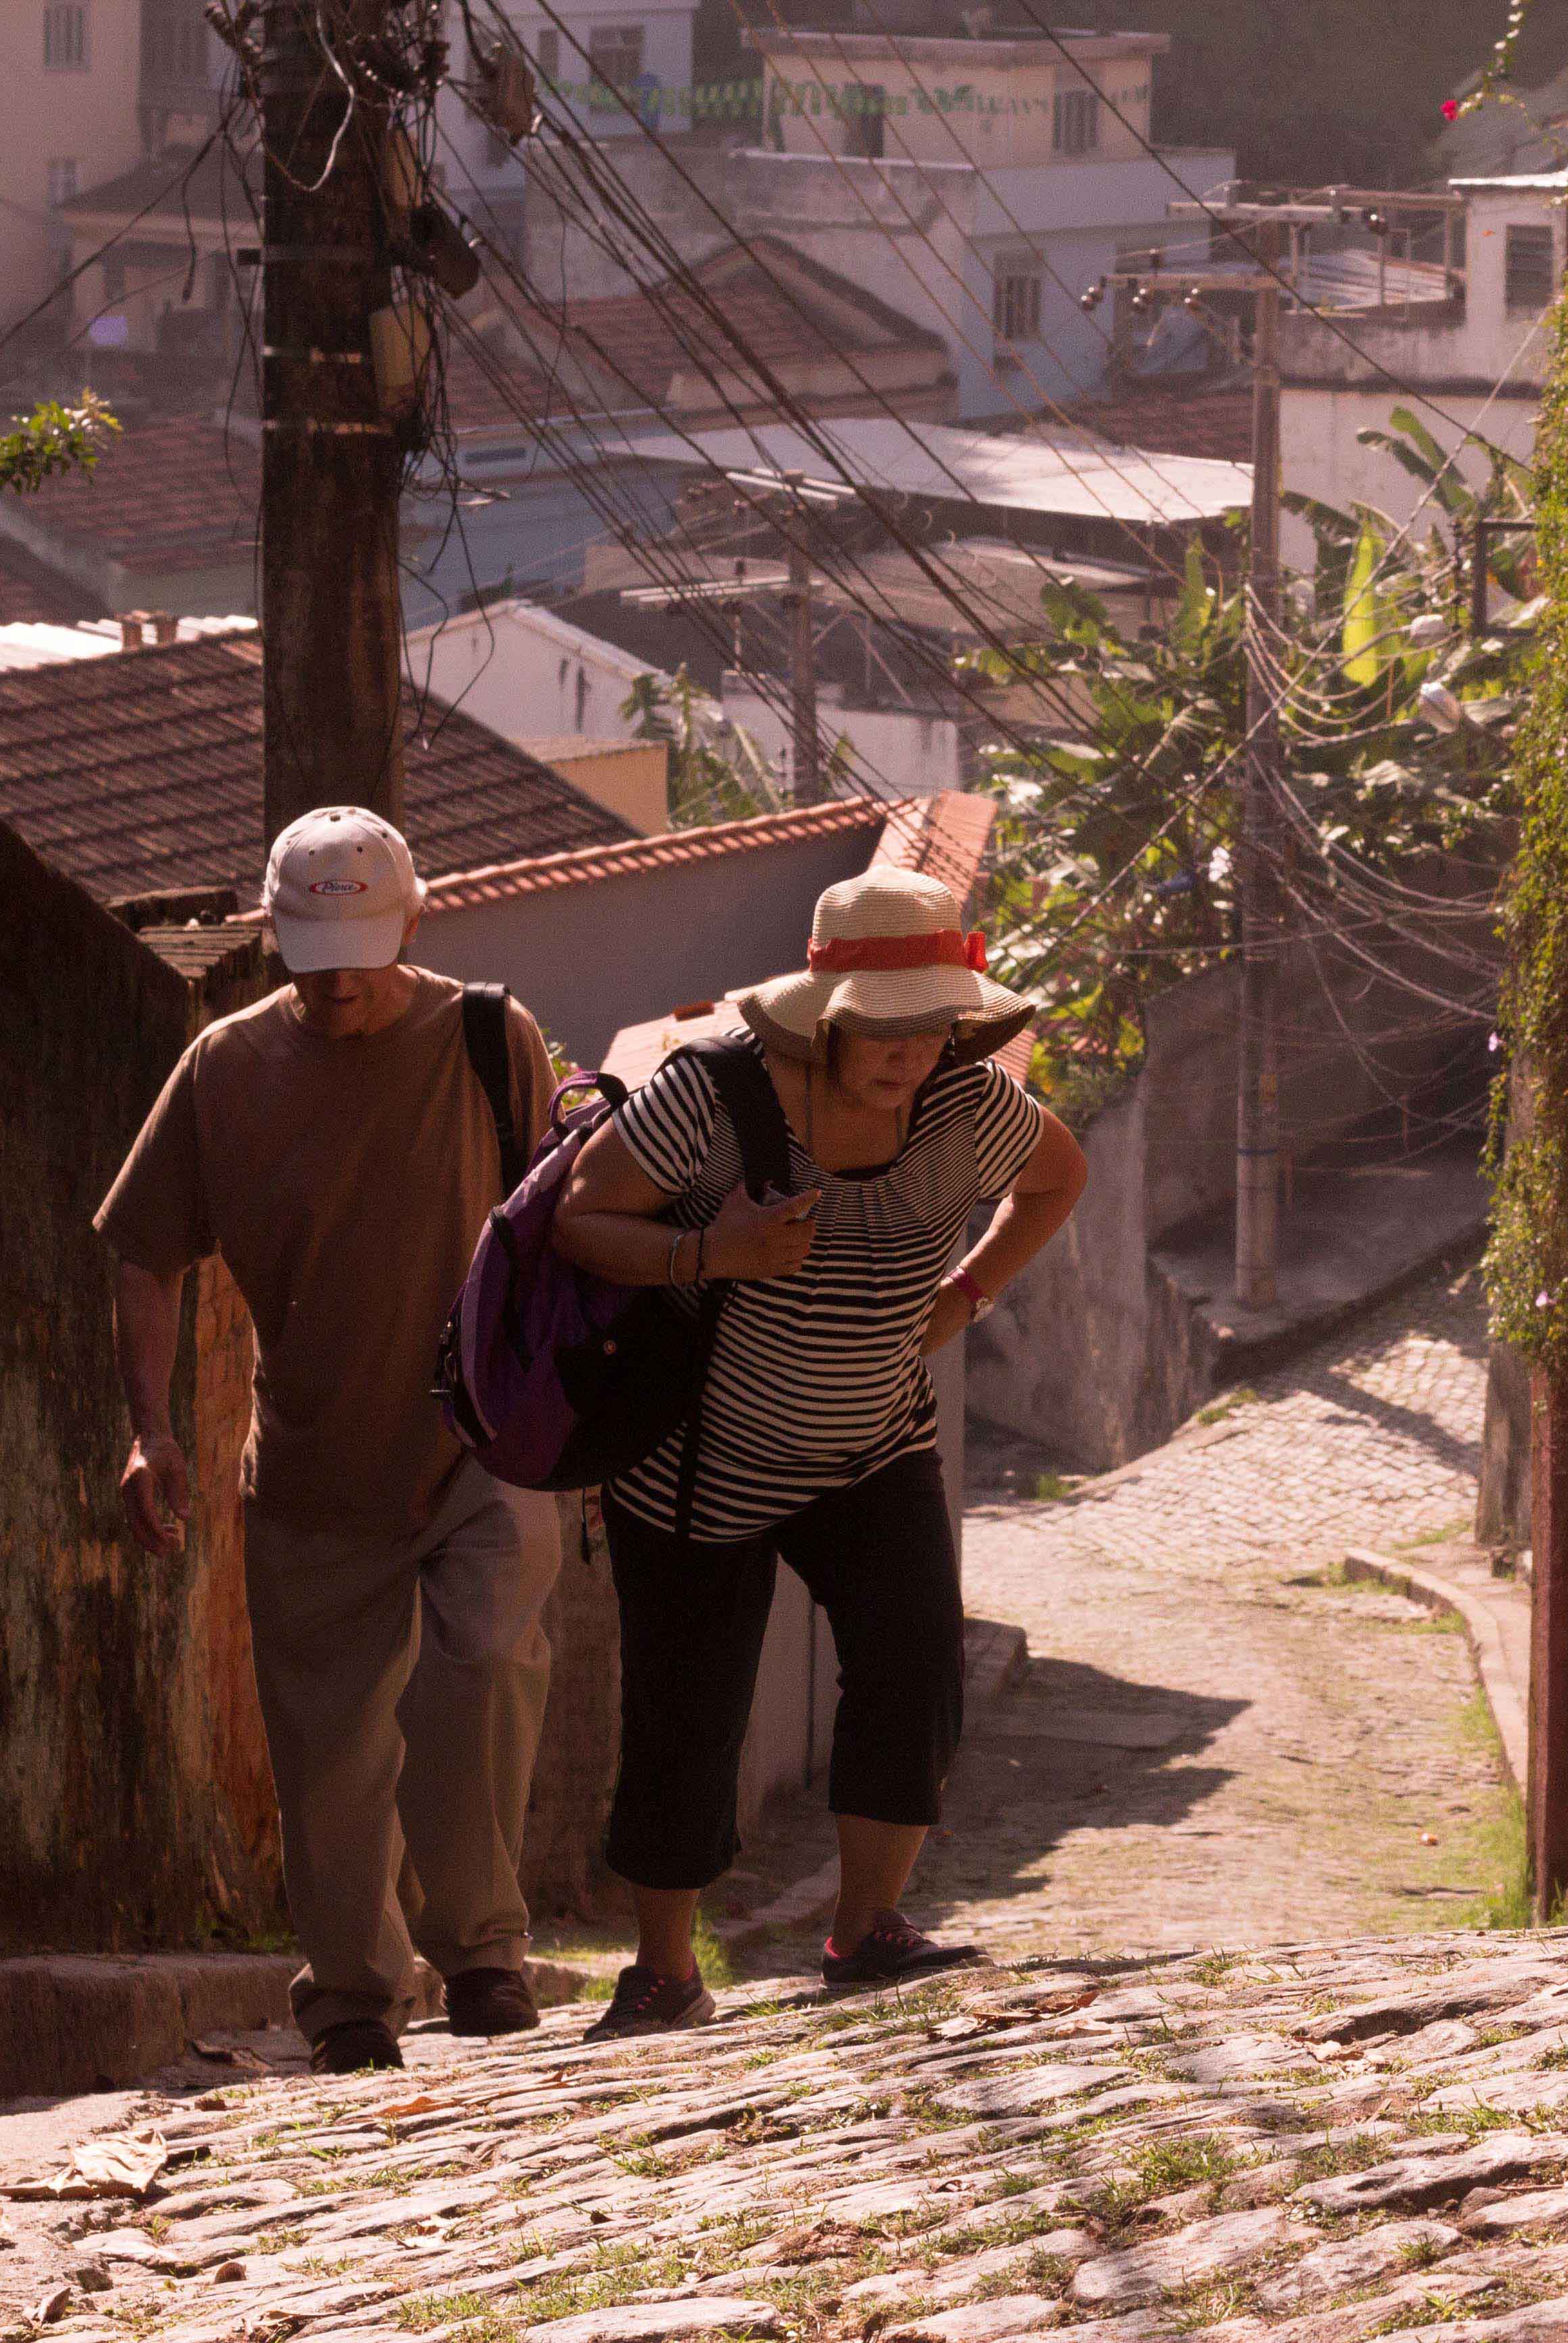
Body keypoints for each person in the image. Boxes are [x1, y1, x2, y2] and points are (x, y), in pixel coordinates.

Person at [548, 863, 1085, 2035]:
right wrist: (711, 1255)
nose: (909, 1055)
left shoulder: (964, 1102)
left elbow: (1058, 1176)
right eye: (885, 1031)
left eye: (934, 1026)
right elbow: (582, 1217)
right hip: (701, 1457)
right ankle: (664, 1973)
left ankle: (865, 1932)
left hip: (874, 1441)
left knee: (915, 1662)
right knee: (688, 1710)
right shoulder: (714, 1101)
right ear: (826, 1015)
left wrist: (970, 1293)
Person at [96, 807, 563, 2075]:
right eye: (312, 947)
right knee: (331, 1744)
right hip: (313, 1451)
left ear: (413, 922)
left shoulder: (488, 1035)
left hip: (485, 1435)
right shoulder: (226, 1067)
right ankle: (354, 1994)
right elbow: (145, 1252)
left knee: (480, 1679)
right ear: (272, 935)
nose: (339, 975)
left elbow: (564, 1205)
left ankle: (481, 1954)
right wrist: (151, 1429)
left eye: (361, 942)